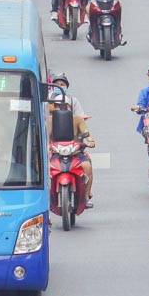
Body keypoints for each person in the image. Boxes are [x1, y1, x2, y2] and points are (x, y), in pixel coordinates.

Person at [46, 74, 95, 207]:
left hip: (75, 151)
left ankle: (85, 197)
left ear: (69, 106)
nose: (61, 108)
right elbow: (46, 136)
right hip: (56, 152)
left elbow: (86, 133)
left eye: (64, 106)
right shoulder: (50, 120)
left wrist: (90, 141)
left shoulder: (77, 119)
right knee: (44, 170)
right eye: (57, 105)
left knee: (87, 167)